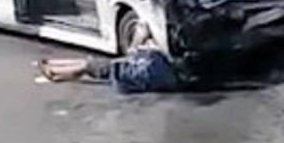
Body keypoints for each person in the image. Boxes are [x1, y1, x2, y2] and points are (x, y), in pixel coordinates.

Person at [36, 48, 195, 94]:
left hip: (123, 72)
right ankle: (55, 68)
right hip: (127, 71)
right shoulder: (167, 73)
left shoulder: (161, 72)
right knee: (90, 65)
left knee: (90, 66)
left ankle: (54, 70)